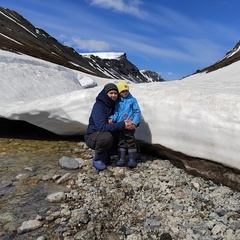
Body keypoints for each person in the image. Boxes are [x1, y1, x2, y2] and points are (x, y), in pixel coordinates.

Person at [84, 83, 133, 171]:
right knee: (106, 137)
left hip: (107, 134)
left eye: (115, 93)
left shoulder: (115, 105)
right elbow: (102, 127)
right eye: (111, 93)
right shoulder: (99, 106)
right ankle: (98, 159)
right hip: (93, 136)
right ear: (105, 93)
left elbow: (127, 116)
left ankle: (107, 154)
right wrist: (123, 124)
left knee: (126, 139)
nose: (113, 95)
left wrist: (132, 124)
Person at [109, 81, 141, 168]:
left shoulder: (132, 100)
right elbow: (116, 112)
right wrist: (112, 118)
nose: (124, 93)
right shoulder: (118, 102)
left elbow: (137, 112)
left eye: (126, 91)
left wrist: (134, 122)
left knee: (130, 141)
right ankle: (121, 159)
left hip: (129, 126)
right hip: (120, 125)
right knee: (121, 142)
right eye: (122, 91)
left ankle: (132, 160)